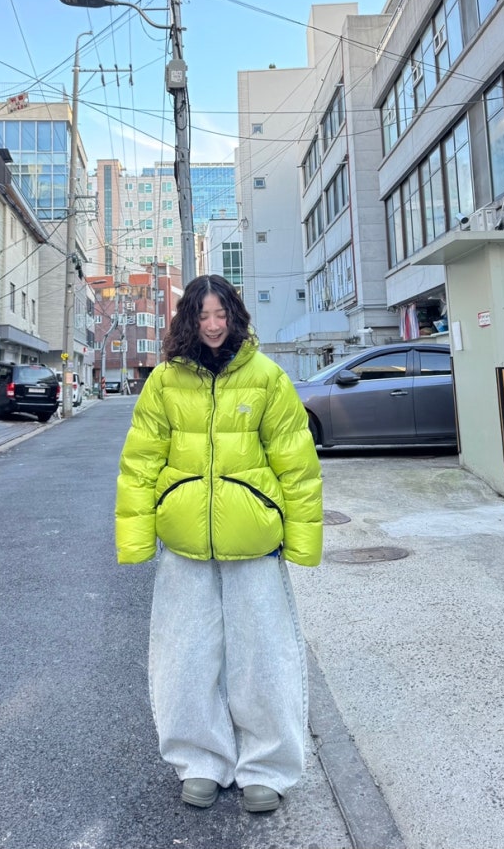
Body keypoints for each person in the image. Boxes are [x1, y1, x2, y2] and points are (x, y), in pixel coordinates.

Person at [115, 274, 323, 813]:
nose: (212, 325)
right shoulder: (163, 382)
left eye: (221, 314)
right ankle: (200, 761)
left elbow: (297, 465)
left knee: (264, 659)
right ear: (188, 319)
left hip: (254, 542)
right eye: (202, 315)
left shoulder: (267, 377)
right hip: (184, 543)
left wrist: (303, 539)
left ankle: (267, 768)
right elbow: (140, 463)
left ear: (235, 315)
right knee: (184, 658)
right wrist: (136, 539)